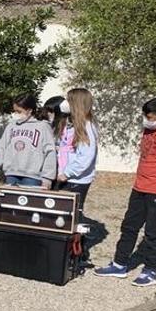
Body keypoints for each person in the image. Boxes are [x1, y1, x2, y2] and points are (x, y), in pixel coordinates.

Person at [94, 97, 156, 287]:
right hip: (140, 189)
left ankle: (152, 269)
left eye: (149, 116)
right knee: (129, 227)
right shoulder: (149, 130)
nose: (145, 119)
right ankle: (119, 264)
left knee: (153, 232)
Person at [0, 93, 56, 188]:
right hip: (11, 175)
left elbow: (50, 152)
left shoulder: (43, 127)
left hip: (33, 178)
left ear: (29, 110)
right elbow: (1, 148)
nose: (15, 114)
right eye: (14, 111)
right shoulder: (11, 126)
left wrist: (48, 178)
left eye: (19, 111)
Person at [54, 88, 99, 218]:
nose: (65, 103)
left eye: (68, 100)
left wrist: (67, 173)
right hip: (64, 175)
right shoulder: (69, 124)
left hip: (75, 179)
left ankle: (75, 238)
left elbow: (86, 157)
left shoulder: (86, 127)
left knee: (71, 215)